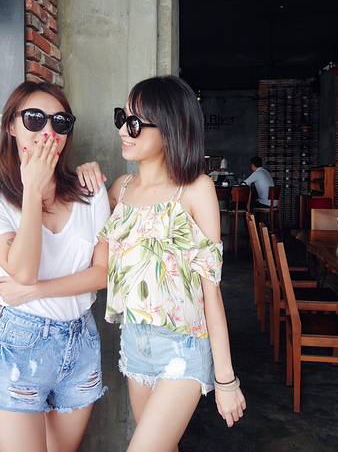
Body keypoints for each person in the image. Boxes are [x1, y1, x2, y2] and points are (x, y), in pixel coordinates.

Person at [79, 75, 245, 451]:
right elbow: (84, 235)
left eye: (134, 123)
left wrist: (226, 379)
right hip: (135, 345)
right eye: (121, 117)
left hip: (182, 348)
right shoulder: (120, 189)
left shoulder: (195, 189)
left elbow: (211, 291)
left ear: (169, 129)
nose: (123, 130)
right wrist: (83, 174)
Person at [0, 81, 110, 452]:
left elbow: (103, 273)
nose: (48, 131)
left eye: (60, 122)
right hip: (22, 343)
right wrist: (32, 189)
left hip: (81, 340)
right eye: (34, 119)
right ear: (11, 126)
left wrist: (37, 291)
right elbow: (23, 271)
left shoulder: (90, 191)